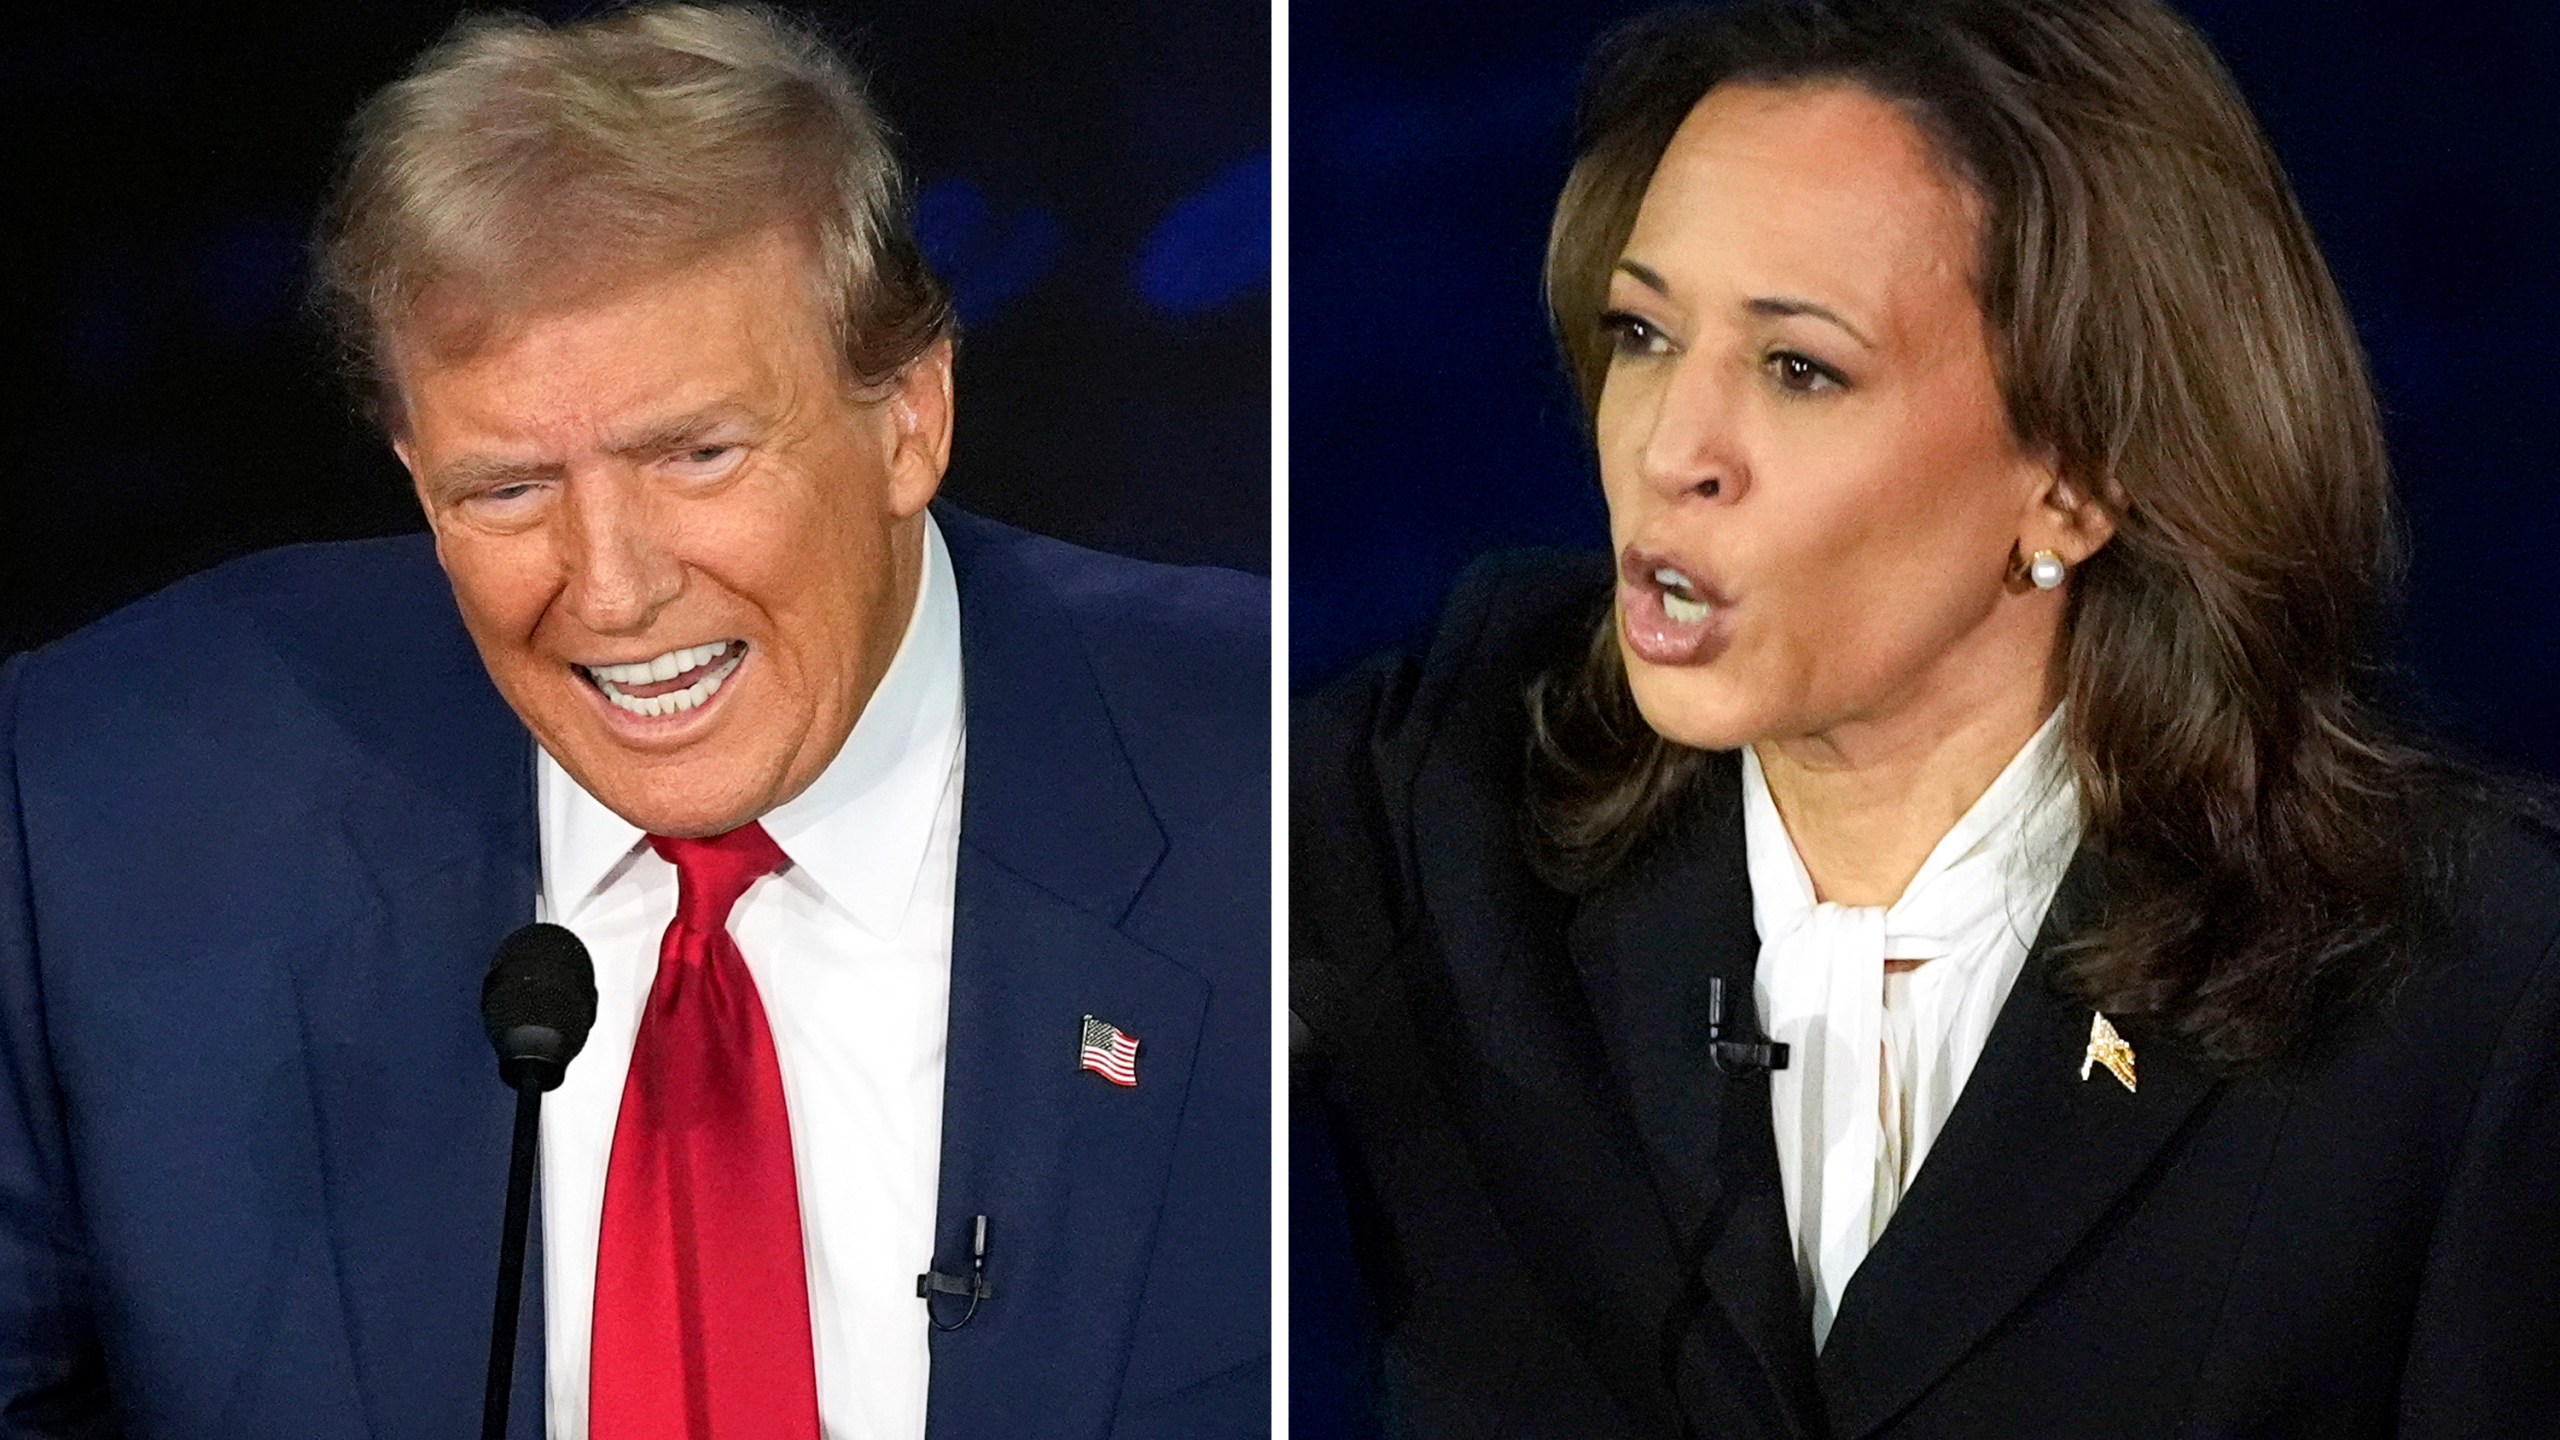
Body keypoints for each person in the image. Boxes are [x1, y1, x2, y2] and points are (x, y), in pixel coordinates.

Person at [1292, 0, 2560, 1435]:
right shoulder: (1435, 804)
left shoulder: (2468, 1002)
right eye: (1643, 334)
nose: (1668, 449)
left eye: (1799, 368)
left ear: (2075, 478)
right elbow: (1106, 1013)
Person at [0, 6, 1267, 1438]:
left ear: (909, 417)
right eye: (508, 489)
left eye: (697, 455)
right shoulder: (111, 807)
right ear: (417, 476)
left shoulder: (1282, 779)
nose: (610, 590)